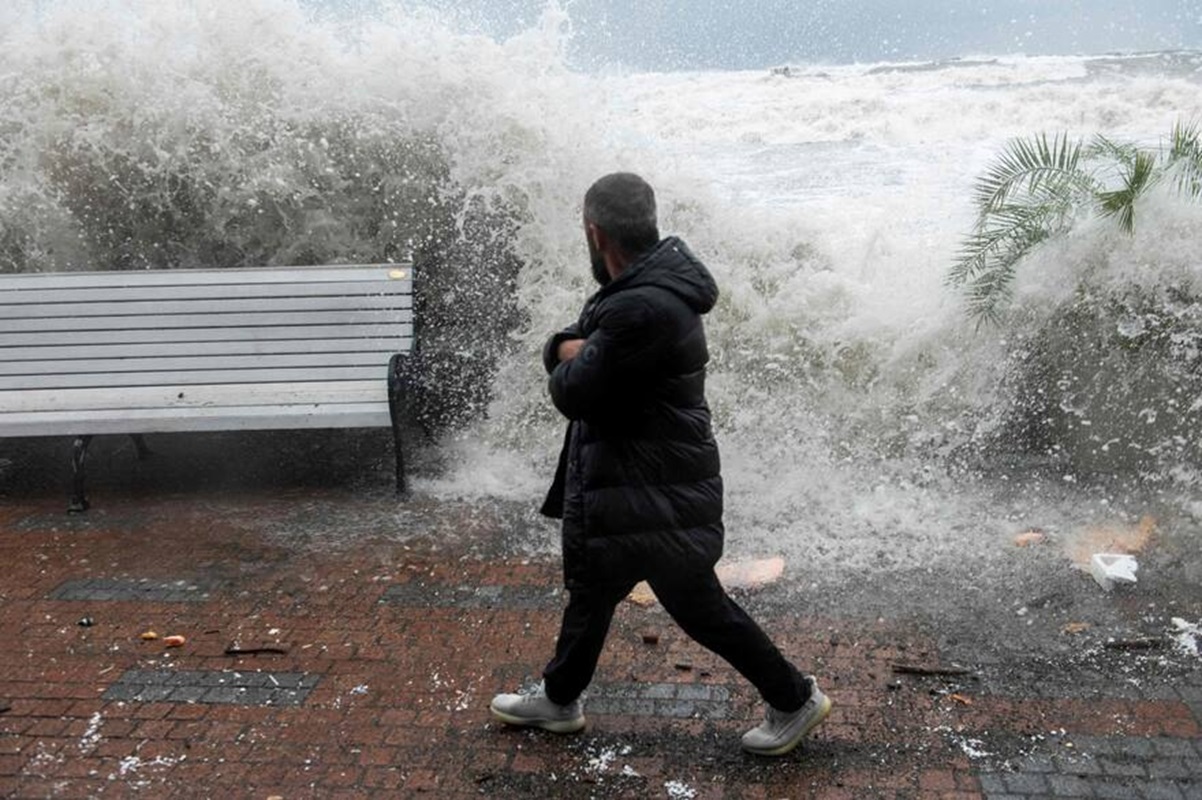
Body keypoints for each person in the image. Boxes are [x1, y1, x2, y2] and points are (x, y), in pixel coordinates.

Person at [489, 172, 831, 757]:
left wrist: (563, 350)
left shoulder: (642, 307)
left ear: (595, 233)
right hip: (635, 483)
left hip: (654, 491)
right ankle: (559, 697)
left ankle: (793, 698)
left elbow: (574, 388)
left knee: (699, 609)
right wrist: (570, 346)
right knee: (591, 593)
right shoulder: (644, 290)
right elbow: (585, 344)